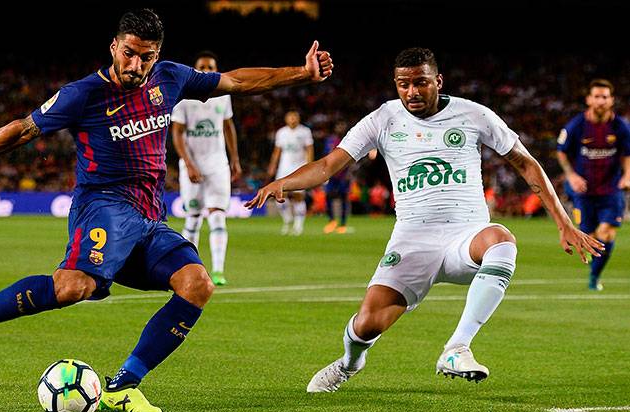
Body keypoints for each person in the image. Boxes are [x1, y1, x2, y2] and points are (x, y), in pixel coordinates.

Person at [0, 8, 333, 412]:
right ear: (113, 47)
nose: (136, 66)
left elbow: (236, 82)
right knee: (71, 288)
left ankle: (123, 386)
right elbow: (23, 129)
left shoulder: (170, 78)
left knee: (196, 283)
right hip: (103, 208)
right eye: (129, 54)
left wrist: (302, 73)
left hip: (149, 218)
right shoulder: (83, 95)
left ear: (156, 56)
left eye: (146, 57)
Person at [245, 47, 602, 392]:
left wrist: (563, 222)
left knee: (502, 240)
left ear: (438, 81)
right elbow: (327, 166)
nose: (412, 91)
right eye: (403, 84)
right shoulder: (383, 119)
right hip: (413, 240)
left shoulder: (474, 115)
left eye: (421, 82)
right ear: (395, 84)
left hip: (466, 235)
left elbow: (526, 162)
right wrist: (283, 182)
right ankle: (349, 363)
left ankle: (456, 348)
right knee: (368, 323)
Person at [171, 51, 240, 286]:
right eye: (203, 66)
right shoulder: (184, 97)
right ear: (195, 69)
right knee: (193, 218)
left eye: (212, 67)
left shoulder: (223, 96)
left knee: (218, 216)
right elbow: (177, 133)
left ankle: (219, 271)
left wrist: (235, 159)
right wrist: (189, 164)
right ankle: (189, 269)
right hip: (192, 165)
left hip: (217, 164)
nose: (208, 71)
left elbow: (228, 127)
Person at [556, 79, 630, 291]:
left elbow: (627, 154)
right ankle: (593, 265)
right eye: (596, 96)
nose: (601, 101)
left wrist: (627, 175)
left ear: (611, 100)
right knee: (589, 238)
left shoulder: (621, 127)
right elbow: (561, 151)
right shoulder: (576, 125)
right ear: (589, 99)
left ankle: (594, 277)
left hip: (611, 190)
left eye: (605, 97)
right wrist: (571, 176)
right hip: (584, 192)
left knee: (606, 233)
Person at [266, 110, 314, 235]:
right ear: (286, 119)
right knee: (280, 196)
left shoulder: (305, 131)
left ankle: (298, 225)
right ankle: (287, 220)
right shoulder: (281, 132)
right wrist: (272, 165)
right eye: (290, 117)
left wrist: (309, 166)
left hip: (299, 167)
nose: (292, 119)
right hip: (284, 167)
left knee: (298, 196)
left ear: (298, 118)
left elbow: (309, 150)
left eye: (294, 117)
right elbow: (277, 151)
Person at [323, 121, 352, 234]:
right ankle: (331, 221)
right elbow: (326, 156)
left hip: (343, 174)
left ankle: (343, 224)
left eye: (342, 125)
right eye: (338, 125)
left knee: (343, 198)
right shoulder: (330, 140)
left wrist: (349, 173)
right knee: (328, 196)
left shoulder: (349, 140)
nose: (340, 128)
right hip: (331, 173)